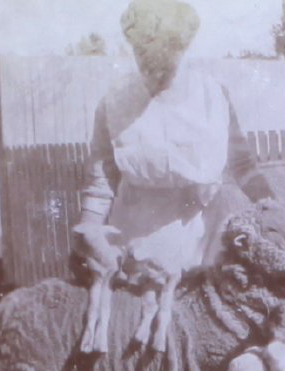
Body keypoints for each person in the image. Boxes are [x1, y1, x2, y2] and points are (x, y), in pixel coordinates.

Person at [76, 0, 256, 274]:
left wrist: (276, 213)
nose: (153, 71)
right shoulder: (113, 102)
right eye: (143, 57)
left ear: (182, 48)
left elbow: (243, 166)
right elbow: (101, 182)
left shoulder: (213, 97)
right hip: (138, 247)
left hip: (206, 244)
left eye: (163, 61)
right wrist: (89, 232)